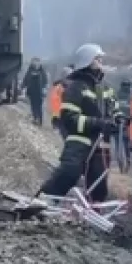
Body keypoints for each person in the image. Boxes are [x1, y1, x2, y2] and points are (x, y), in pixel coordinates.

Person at [37, 43, 120, 204]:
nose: (101, 63)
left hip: (100, 144)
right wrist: (98, 123)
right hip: (79, 142)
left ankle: (94, 214)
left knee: (99, 185)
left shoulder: (105, 88)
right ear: (87, 61)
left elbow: (113, 108)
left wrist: (119, 118)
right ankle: (43, 202)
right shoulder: (76, 87)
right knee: (69, 173)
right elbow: (69, 119)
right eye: (98, 59)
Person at [22, 56, 49, 125]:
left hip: (39, 92)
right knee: (33, 106)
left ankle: (39, 120)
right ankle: (35, 118)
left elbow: (45, 81)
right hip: (32, 91)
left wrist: (45, 89)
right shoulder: (30, 70)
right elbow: (26, 79)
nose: (36, 64)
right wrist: (22, 86)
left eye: (37, 62)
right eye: (34, 62)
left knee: (38, 106)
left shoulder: (42, 71)